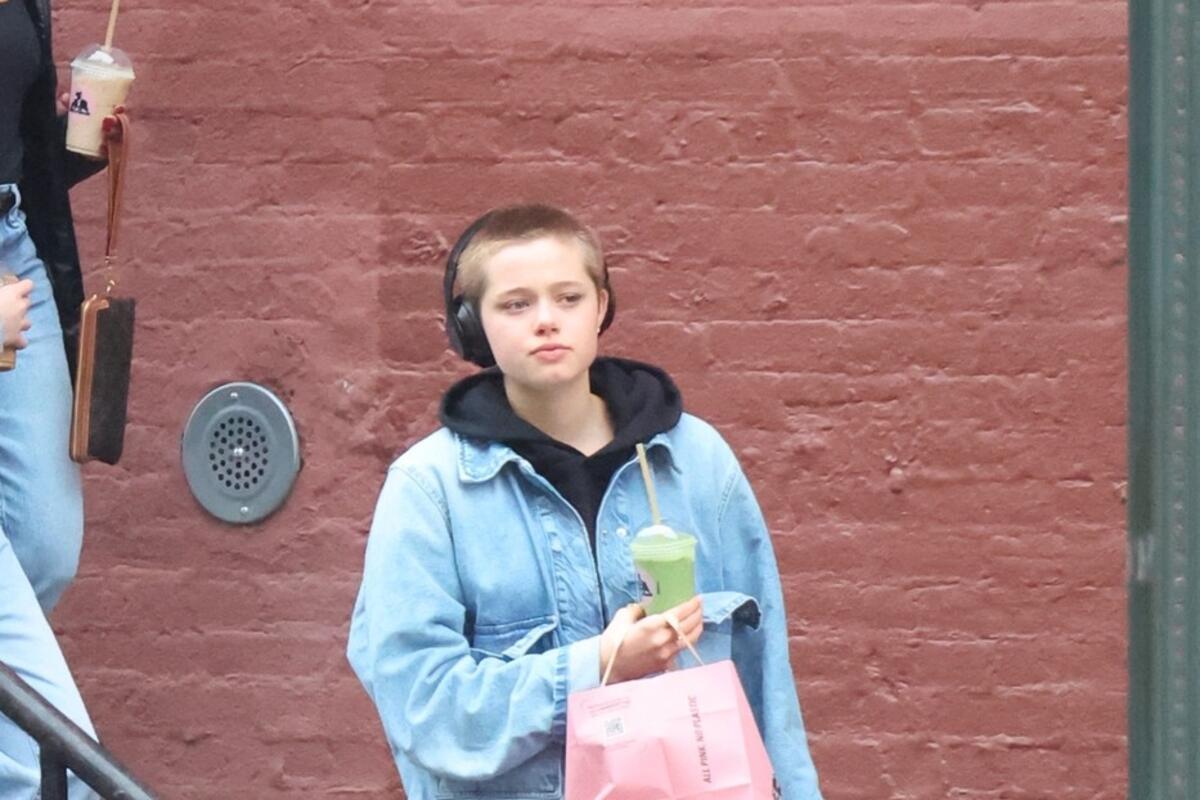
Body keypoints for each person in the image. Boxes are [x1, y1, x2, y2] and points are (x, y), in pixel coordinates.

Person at [347, 204, 823, 799]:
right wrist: (598, 666)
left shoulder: (697, 461)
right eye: (516, 304)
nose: (547, 320)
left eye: (568, 298)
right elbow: (424, 710)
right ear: (472, 327)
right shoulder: (430, 489)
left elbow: (767, 681)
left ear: (601, 307)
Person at [1, 0, 125, 796]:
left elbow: (17, 141)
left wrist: (79, 136)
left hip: (12, 243)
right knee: (63, 767)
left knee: (44, 541)